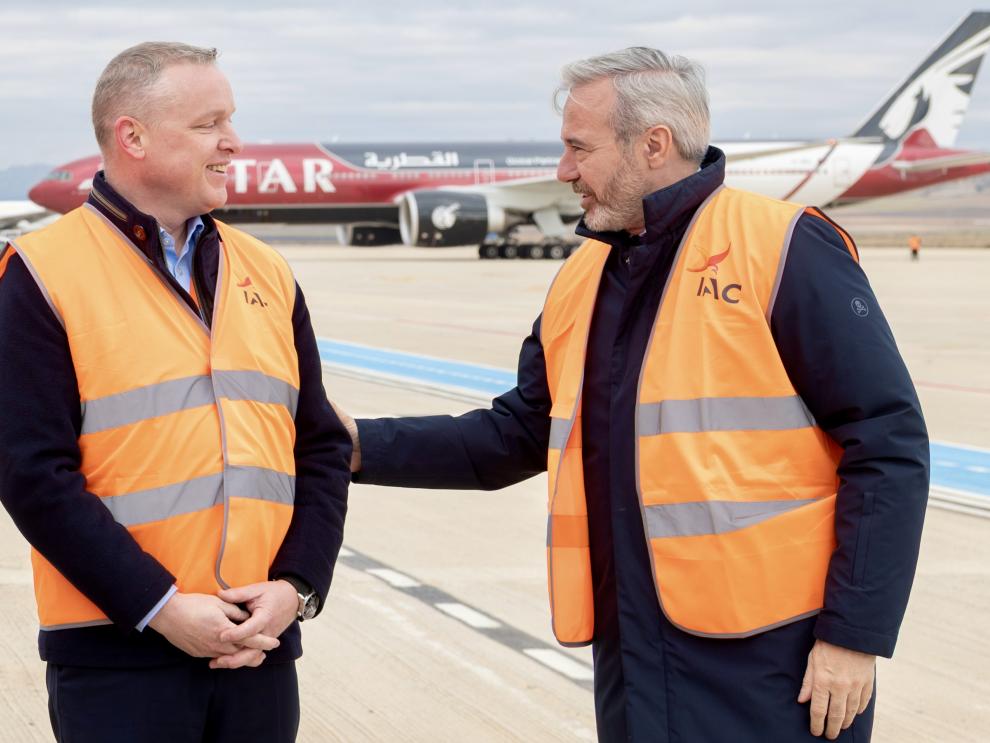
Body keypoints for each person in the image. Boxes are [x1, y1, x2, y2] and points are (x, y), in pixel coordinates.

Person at [336, 47, 929, 742]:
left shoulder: (783, 248)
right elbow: (520, 432)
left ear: (653, 144)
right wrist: (358, 446)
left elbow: (888, 444)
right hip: (634, 652)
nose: (564, 172)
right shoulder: (585, 272)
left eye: (577, 148)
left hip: (776, 659)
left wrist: (853, 636)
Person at [0, 42, 351, 742]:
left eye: (231, 120)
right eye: (208, 123)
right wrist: (160, 607)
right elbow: (32, 475)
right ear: (132, 136)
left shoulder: (268, 272)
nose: (234, 141)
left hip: (258, 651)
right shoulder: (39, 273)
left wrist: (296, 589)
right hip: (117, 657)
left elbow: (321, 446)